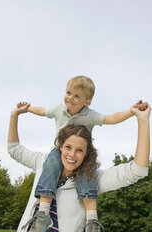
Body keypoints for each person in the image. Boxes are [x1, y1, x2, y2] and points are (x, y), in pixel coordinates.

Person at [17, 75, 143, 231]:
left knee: (86, 174)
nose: (70, 98)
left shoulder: (90, 115)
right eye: (68, 93)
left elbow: (111, 118)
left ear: (87, 101)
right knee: (51, 164)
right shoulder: (59, 109)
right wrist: (28, 108)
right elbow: (43, 111)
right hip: (60, 151)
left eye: (77, 96)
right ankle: (43, 211)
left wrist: (132, 112)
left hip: (81, 155)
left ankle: (91, 221)